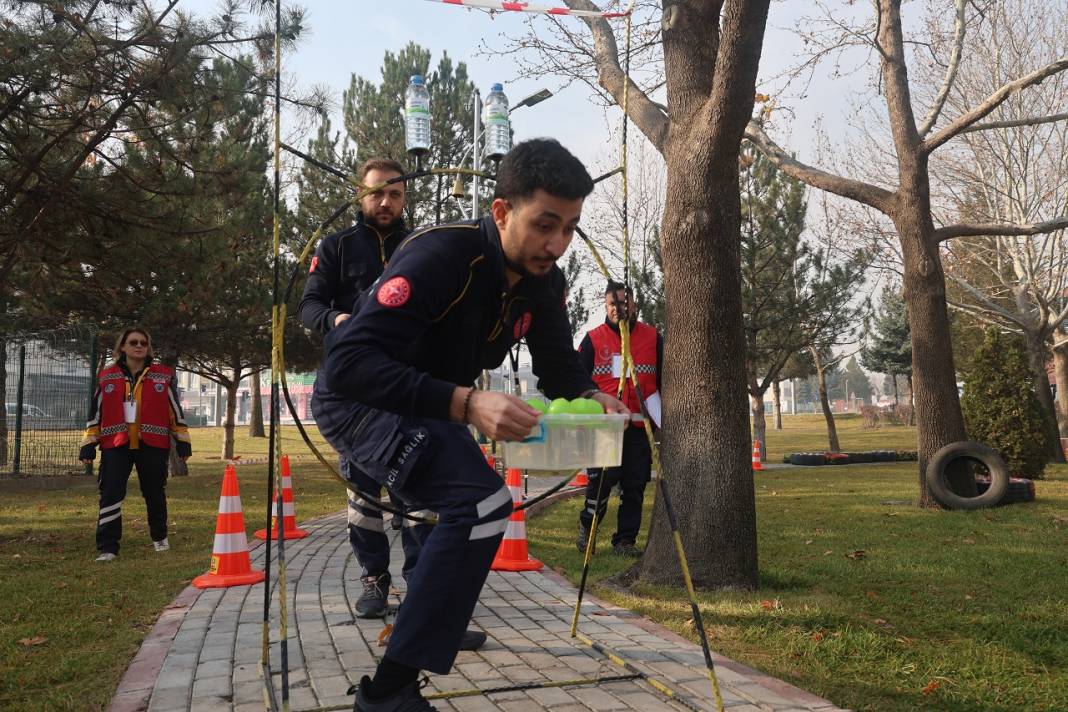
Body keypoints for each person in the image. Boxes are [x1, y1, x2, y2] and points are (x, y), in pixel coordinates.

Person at [313, 138, 627, 712]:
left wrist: (591, 394)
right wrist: (466, 404)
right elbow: (348, 363)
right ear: (502, 211)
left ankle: (403, 667)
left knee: (474, 514)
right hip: (358, 400)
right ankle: (388, 695)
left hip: (428, 406)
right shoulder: (441, 256)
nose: (556, 245)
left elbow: (558, 365)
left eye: (570, 228)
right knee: (481, 503)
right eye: (544, 224)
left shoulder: (544, 281)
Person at [299, 158, 434, 623]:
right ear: (361, 194)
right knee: (362, 490)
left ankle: (420, 583)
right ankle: (374, 579)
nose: (386, 201)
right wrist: (335, 319)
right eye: (377, 193)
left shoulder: (421, 247)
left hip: (407, 384)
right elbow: (309, 304)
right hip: (354, 385)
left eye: (395, 194)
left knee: (416, 485)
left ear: (404, 198)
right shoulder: (336, 246)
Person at [79, 328, 192, 561]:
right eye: (133, 342)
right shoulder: (107, 376)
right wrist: (89, 443)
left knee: (154, 492)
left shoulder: (163, 375)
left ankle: (160, 538)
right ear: (123, 347)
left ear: (148, 347)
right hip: (115, 443)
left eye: (143, 342)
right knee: (110, 492)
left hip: (152, 444)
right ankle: (108, 547)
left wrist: (182, 441)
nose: (138, 346)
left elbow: (175, 412)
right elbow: (95, 412)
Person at [576, 282, 662, 558]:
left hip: (639, 427)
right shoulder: (592, 339)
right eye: (613, 304)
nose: (619, 309)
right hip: (604, 428)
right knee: (600, 484)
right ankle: (587, 531)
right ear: (605, 307)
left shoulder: (652, 338)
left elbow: (663, 381)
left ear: (634, 304)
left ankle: (625, 541)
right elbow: (577, 381)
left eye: (624, 303)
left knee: (634, 486)